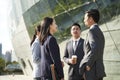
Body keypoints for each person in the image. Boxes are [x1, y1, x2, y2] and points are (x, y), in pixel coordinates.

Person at [79, 9, 106, 80]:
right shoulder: (99, 31)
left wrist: (88, 64)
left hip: (92, 71)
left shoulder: (92, 31)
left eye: (85, 18)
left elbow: (95, 49)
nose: (84, 20)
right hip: (98, 70)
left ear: (90, 19)